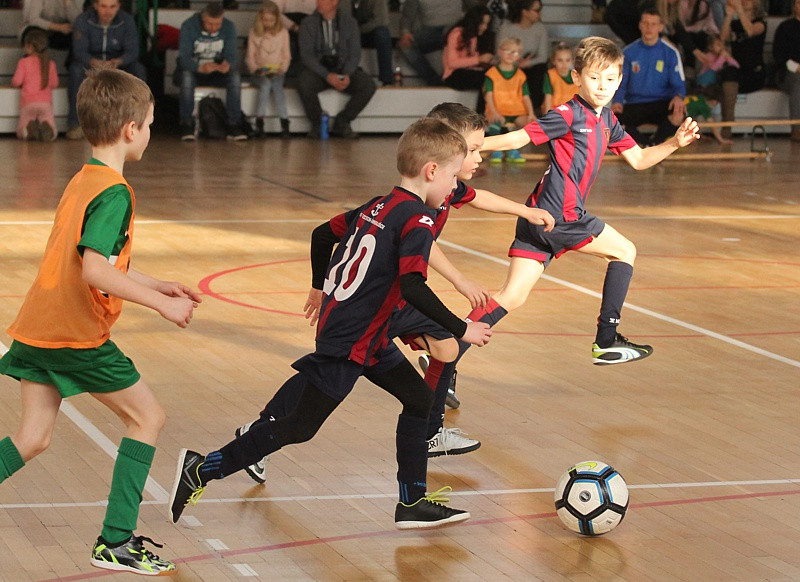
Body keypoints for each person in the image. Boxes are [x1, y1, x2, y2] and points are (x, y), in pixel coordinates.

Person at [168, 118, 493, 530]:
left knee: (418, 399)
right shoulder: (419, 219)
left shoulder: (380, 204)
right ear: (432, 171)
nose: (453, 189)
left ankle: (412, 501)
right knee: (300, 427)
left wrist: (321, 287)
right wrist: (463, 329)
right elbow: (413, 285)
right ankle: (203, 468)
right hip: (354, 338)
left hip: (365, 334)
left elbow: (323, 235)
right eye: (451, 177)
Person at [227, 103, 555, 483]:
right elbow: (417, 249)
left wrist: (526, 212)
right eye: (474, 149)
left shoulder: (447, 188)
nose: (478, 156)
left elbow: (479, 198)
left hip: (398, 295)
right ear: (444, 149)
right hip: (386, 298)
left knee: (443, 349)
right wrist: (459, 280)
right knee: (330, 373)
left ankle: (429, 433)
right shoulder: (414, 203)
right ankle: (260, 430)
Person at [423, 36, 700, 413]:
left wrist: (674, 143)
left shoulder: (609, 121)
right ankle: (606, 339)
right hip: (562, 217)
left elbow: (638, 160)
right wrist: (469, 145)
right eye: (595, 78)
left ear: (620, 81)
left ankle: (446, 358)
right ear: (576, 77)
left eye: (611, 79)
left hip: (538, 216)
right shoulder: (569, 114)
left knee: (511, 297)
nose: (603, 86)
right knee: (625, 251)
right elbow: (520, 137)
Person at [0, 69, 201, 576]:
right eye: (152, 124)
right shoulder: (114, 191)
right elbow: (94, 268)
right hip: (74, 334)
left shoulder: (83, 178)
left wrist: (156, 284)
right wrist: (163, 307)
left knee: (33, 437)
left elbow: (91, 259)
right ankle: (115, 541)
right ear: (131, 129)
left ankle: (116, 540)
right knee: (146, 417)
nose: (152, 133)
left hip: (37, 326)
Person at [67, 0, 147, 141]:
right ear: (96, 6)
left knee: (139, 71)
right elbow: (79, 51)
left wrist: (117, 62)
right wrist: (95, 63)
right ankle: (75, 124)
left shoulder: (126, 21)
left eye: (112, 7)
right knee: (75, 71)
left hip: (117, 62)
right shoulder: (83, 20)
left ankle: (138, 123)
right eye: (103, 6)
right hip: (91, 62)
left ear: (119, 6)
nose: (108, 11)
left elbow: (133, 51)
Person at [296, 0, 377, 139]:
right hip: (319, 71)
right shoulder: (308, 23)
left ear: (334, 2)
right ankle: (318, 124)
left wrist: (347, 73)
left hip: (343, 67)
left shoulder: (349, 22)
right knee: (304, 82)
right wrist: (326, 75)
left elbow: (355, 53)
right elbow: (307, 56)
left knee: (368, 85)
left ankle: (343, 122)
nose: (318, 2)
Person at [610, 9, 687, 146]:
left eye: (653, 24)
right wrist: (617, 101)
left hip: (661, 102)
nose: (649, 28)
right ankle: (646, 144)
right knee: (612, 118)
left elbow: (679, 83)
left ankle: (653, 144)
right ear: (640, 25)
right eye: (645, 23)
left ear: (660, 27)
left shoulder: (670, 52)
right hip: (635, 103)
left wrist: (679, 96)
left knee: (680, 113)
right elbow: (620, 82)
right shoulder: (628, 52)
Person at [177, 2, 248, 141]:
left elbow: (232, 58)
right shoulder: (189, 26)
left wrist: (227, 66)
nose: (213, 28)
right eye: (209, 24)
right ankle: (186, 123)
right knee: (186, 77)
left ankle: (234, 123)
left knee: (234, 77)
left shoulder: (229, 27)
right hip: (195, 72)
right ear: (202, 18)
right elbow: (183, 59)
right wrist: (199, 67)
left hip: (217, 73)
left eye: (217, 24)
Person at [718, 0, 766, 138]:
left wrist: (739, 10)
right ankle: (727, 124)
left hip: (754, 73)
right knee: (728, 73)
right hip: (737, 71)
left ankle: (727, 124)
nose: (744, 1)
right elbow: (722, 39)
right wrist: (728, 15)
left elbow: (750, 30)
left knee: (728, 76)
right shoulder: (734, 24)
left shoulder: (761, 23)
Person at [484, 36, 535, 164]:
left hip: (516, 111)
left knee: (529, 124)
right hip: (498, 110)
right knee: (495, 122)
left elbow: (526, 96)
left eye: (515, 52)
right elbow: (488, 95)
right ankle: (497, 150)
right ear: (500, 51)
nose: (511, 55)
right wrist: (493, 111)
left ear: (519, 55)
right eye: (507, 50)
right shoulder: (492, 73)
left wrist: (531, 113)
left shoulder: (520, 75)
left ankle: (514, 150)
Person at [245, 0, 291, 138]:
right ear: (260, 19)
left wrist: (282, 68)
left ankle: (285, 124)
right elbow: (250, 57)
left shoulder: (283, 33)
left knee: (278, 90)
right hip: (260, 71)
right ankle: (260, 123)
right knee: (265, 85)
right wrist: (256, 70)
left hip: (277, 72)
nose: (268, 23)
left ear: (277, 19)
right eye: (265, 20)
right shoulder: (254, 32)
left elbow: (286, 56)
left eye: (271, 20)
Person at [398, 0, 468, 86]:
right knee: (405, 46)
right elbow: (407, 17)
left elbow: (476, 7)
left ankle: (454, 78)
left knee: (453, 34)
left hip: (455, 29)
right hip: (431, 31)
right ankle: (435, 82)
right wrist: (405, 32)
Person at [497, 0, 549, 114]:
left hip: (530, 65)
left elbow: (543, 56)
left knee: (540, 70)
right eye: (536, 10)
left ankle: (533, 111)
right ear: (524, 12)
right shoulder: (507, 26)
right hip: (510, 63)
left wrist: (527, 63)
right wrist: (515, 60)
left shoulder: (539, 28)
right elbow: (499, 52)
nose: (540, 14)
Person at [11, 28, 58, 142]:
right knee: (51, 126)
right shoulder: (50, 63)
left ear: (29, 46)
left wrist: (14, 84)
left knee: (22, 128)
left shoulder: (23, 62)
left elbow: (17, 81)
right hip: (45, 103)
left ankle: (27, 130)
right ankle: (49, 131)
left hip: (28, 103)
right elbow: (55, 83)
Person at [339, 0, 394, 86]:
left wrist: (358, 30)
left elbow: (381, 20)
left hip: (368, 31)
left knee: (383, 33)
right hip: (349, 32)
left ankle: (387, 80)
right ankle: (343, 75)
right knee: (343, 34)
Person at [442, 5, 494, 95]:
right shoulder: (457, 33)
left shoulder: (475, 37)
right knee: (486, 79)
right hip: (454, 75)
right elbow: (452, 63)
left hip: (469, 71)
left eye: (487, 24)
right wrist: (479, 59)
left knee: (495, 75)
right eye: (482, 23)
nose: (485, 27)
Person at [773, 0, 800, 141]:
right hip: (788, 73)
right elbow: (779, 55)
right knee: (798, 82)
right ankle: (796, 129)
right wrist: (797, 67)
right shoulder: (785, 27)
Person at [542, 41, 576, 114]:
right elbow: (548, 98)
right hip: (555, 112)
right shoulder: (550, 75)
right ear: (553, 61)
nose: (564, 64)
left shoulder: (577, 76)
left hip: (573, 111)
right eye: (560, 60)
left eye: (567, 60)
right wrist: (547, 119)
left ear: (572, 61)